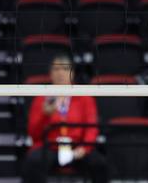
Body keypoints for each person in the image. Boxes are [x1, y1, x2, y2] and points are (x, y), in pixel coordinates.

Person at [23, 55, 107, 183]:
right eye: (56, 69)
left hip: (77, 146)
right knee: (33, 161)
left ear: (72, 73)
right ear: (50, 73)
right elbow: (33, 133)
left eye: (65, 69)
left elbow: (92, 127)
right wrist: (45, 114)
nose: (60, 73)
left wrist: (85, 148)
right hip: (50, 147)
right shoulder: (41, 97)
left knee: (99, 164)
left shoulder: (84, 97)